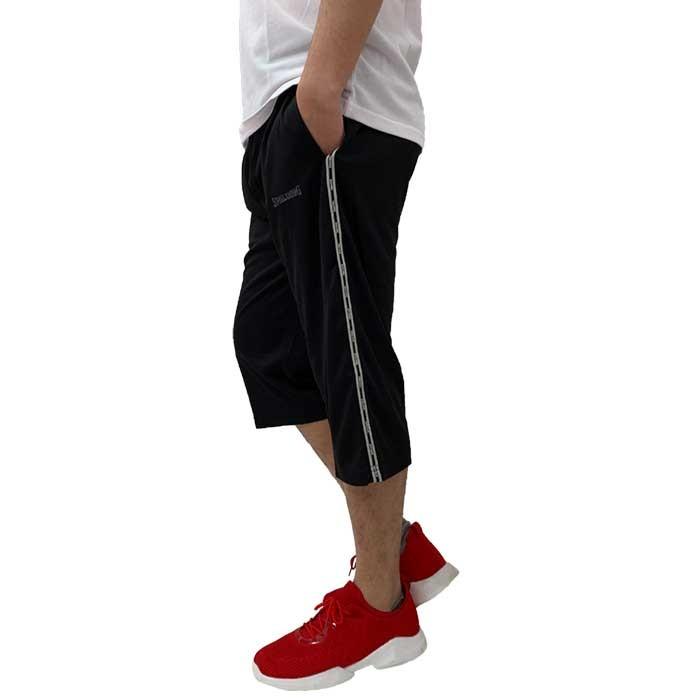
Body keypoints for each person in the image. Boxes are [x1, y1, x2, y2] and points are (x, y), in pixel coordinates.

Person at [234, 1, 457, 690]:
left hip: (337, 100)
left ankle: (381, 609)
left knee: (349, 358)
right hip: (288, 112)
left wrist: (321, 88)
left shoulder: (325, 97)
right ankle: (395, 544)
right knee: (271, 346)